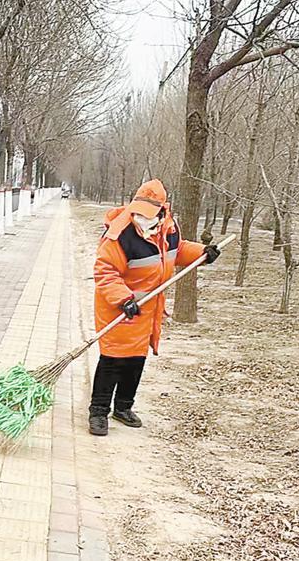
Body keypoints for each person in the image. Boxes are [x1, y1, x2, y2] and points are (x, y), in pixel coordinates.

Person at [89, 179, 221, 436]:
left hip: (148, 309)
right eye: (138, 212)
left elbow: (177, 250)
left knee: (135, 361)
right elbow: (105, 271)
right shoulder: (119, 234)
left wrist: (202, 253)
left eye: (148, 213)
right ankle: (98, 411)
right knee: (113, 361)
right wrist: (124, 299)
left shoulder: (168, 229)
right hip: (120, 308)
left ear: (162, 210)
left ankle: (123, 407)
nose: (141, 217)